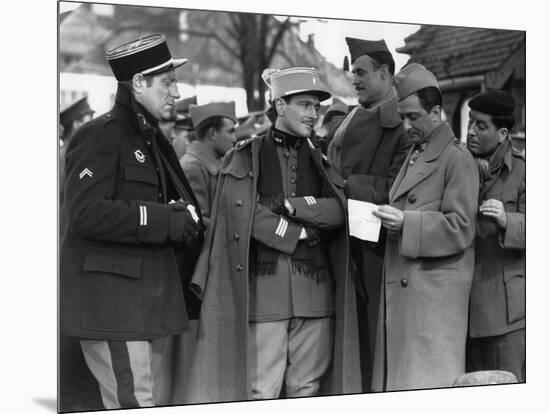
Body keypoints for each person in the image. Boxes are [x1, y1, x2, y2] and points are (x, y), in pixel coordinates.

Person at [184, 67, 361, 403]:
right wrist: (297, 234)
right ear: (280, 105)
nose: (313, 113)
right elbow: (239, 212)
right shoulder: (244, 156)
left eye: (316, 107)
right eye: (305, 104)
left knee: (307, 390)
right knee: (260, 391)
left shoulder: (321, 158)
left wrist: (291, 206)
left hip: (316, 294)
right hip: (265, 295)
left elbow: (339, 210)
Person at [60, 34, 204, 409]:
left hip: (141, 303)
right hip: (113, 305)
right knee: (132, 403)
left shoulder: (149, 137)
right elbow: (84, 213)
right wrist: (162, 220)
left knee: (142, 400)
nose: (175, 91)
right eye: (167, 82)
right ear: (138, 83)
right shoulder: (100, 136)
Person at [371, 63, 479, 391]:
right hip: (412, 299)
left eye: (413, 117)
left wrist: (406, 222)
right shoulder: (418, 153)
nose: (406, 126)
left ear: (436, 113)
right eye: (403, 118)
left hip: (432, 306)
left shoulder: (456, 158)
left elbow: (461, 226)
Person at [326, 37, 410, 391]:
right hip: (344, 241)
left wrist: (343, 186)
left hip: (378, 249)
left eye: (361, 73)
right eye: (352, 73)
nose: (354, 79)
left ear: (385, 73)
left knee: (374, 341)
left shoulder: (405, 124)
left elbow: (399, 191)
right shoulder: (351, 120)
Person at [465, 90, 525, 381]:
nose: (471, 132)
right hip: (463, 310)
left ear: (502, 134)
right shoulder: (459, 166)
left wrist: (507, 220)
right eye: (469, 122)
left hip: (507, 316)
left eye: (481, 126)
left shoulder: (524, 173)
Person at [180, 102, 237, 229]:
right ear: (212, 133)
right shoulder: (192, 168)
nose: (234, 138)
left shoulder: (217, 163)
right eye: (230, 132)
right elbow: (199, 223)